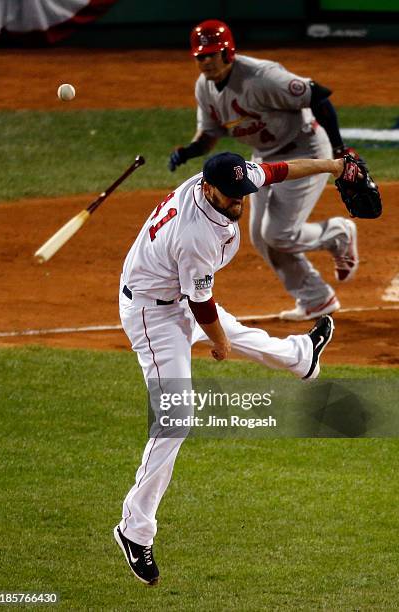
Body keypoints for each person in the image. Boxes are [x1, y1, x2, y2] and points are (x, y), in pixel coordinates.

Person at [113, 151, 344, 585]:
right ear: (207, 187)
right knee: (176, 419)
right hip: (153, 313)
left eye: (243, 192)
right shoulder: (196, 233)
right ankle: (134, 528)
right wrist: (217, 342)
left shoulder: (227, 178)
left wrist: (330, 166)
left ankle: (301, 357)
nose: (240, 201)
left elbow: (277, 170)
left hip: (170, 293)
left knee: (234, 331)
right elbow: (201, 303)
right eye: (232, 195)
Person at [168, 19, 360, 321]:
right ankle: (316, 299)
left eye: (211, 54)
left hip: (306, 150)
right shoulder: (205, 88)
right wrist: (186, 151)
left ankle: (338, 234)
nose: (205, 61)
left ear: (228, 52)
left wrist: (339, 150)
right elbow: (209, 135)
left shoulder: (262, 77)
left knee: (279, 234)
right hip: (264, 157)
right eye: (200, 56)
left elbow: (318, 95)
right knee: (260, 236)